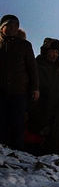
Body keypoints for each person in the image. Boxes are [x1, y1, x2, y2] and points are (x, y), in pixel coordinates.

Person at [0, 14, 39, 150]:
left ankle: (17, 151)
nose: (12, 29)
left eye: (15, 26)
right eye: (9, 26)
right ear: (2, 27)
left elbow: (32, 68)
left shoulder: (24, 45)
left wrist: (35, 88)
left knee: (17, 122)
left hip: (19, 91)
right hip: (1, 90)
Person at [26, 37, 59, 153]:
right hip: (37, 108)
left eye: (57, 52)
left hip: (53, 112)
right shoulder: (36, 66)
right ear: (45, 52)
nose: (55, 55)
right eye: (52, 51)